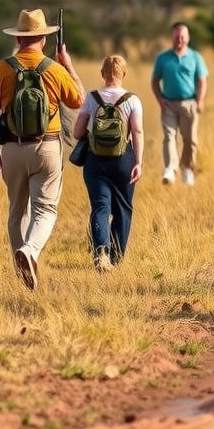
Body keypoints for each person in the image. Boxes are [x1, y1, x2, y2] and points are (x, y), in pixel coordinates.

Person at [0, 8, 84, 290]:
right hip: (47, 147)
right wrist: (68, 65)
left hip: (11, 149)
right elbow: (79, 101)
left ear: (19, 38)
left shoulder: (2, 68)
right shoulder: (53, 68)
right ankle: (31, 251)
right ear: (43, 38)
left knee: (16, 212)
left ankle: (22, 272)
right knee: (46, 210)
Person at [73, 54, 145, 272]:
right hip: (124, 160)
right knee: (123, 209)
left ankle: (101, 252)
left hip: (95, 162)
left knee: (100, 207)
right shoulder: (132, 100)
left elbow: (77, 132)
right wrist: (139, 162)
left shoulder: (91, 97)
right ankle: (116, 259)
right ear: (123, 74)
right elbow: (137, 131)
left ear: (103, 74)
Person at [150, 21, 209, 185]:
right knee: (169, 137)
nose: (179, 39)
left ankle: (187, 168)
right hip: (168, 104)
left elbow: (202, 80)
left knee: (190, 140)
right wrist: (159, 99)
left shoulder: (196, 57)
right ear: (172, 37)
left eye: (182, 36)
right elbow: (155, 81)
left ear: (188, 38)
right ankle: (170, 169)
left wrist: (200, 100)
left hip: (190, 103)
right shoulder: (162, 58)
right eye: (176, 36)